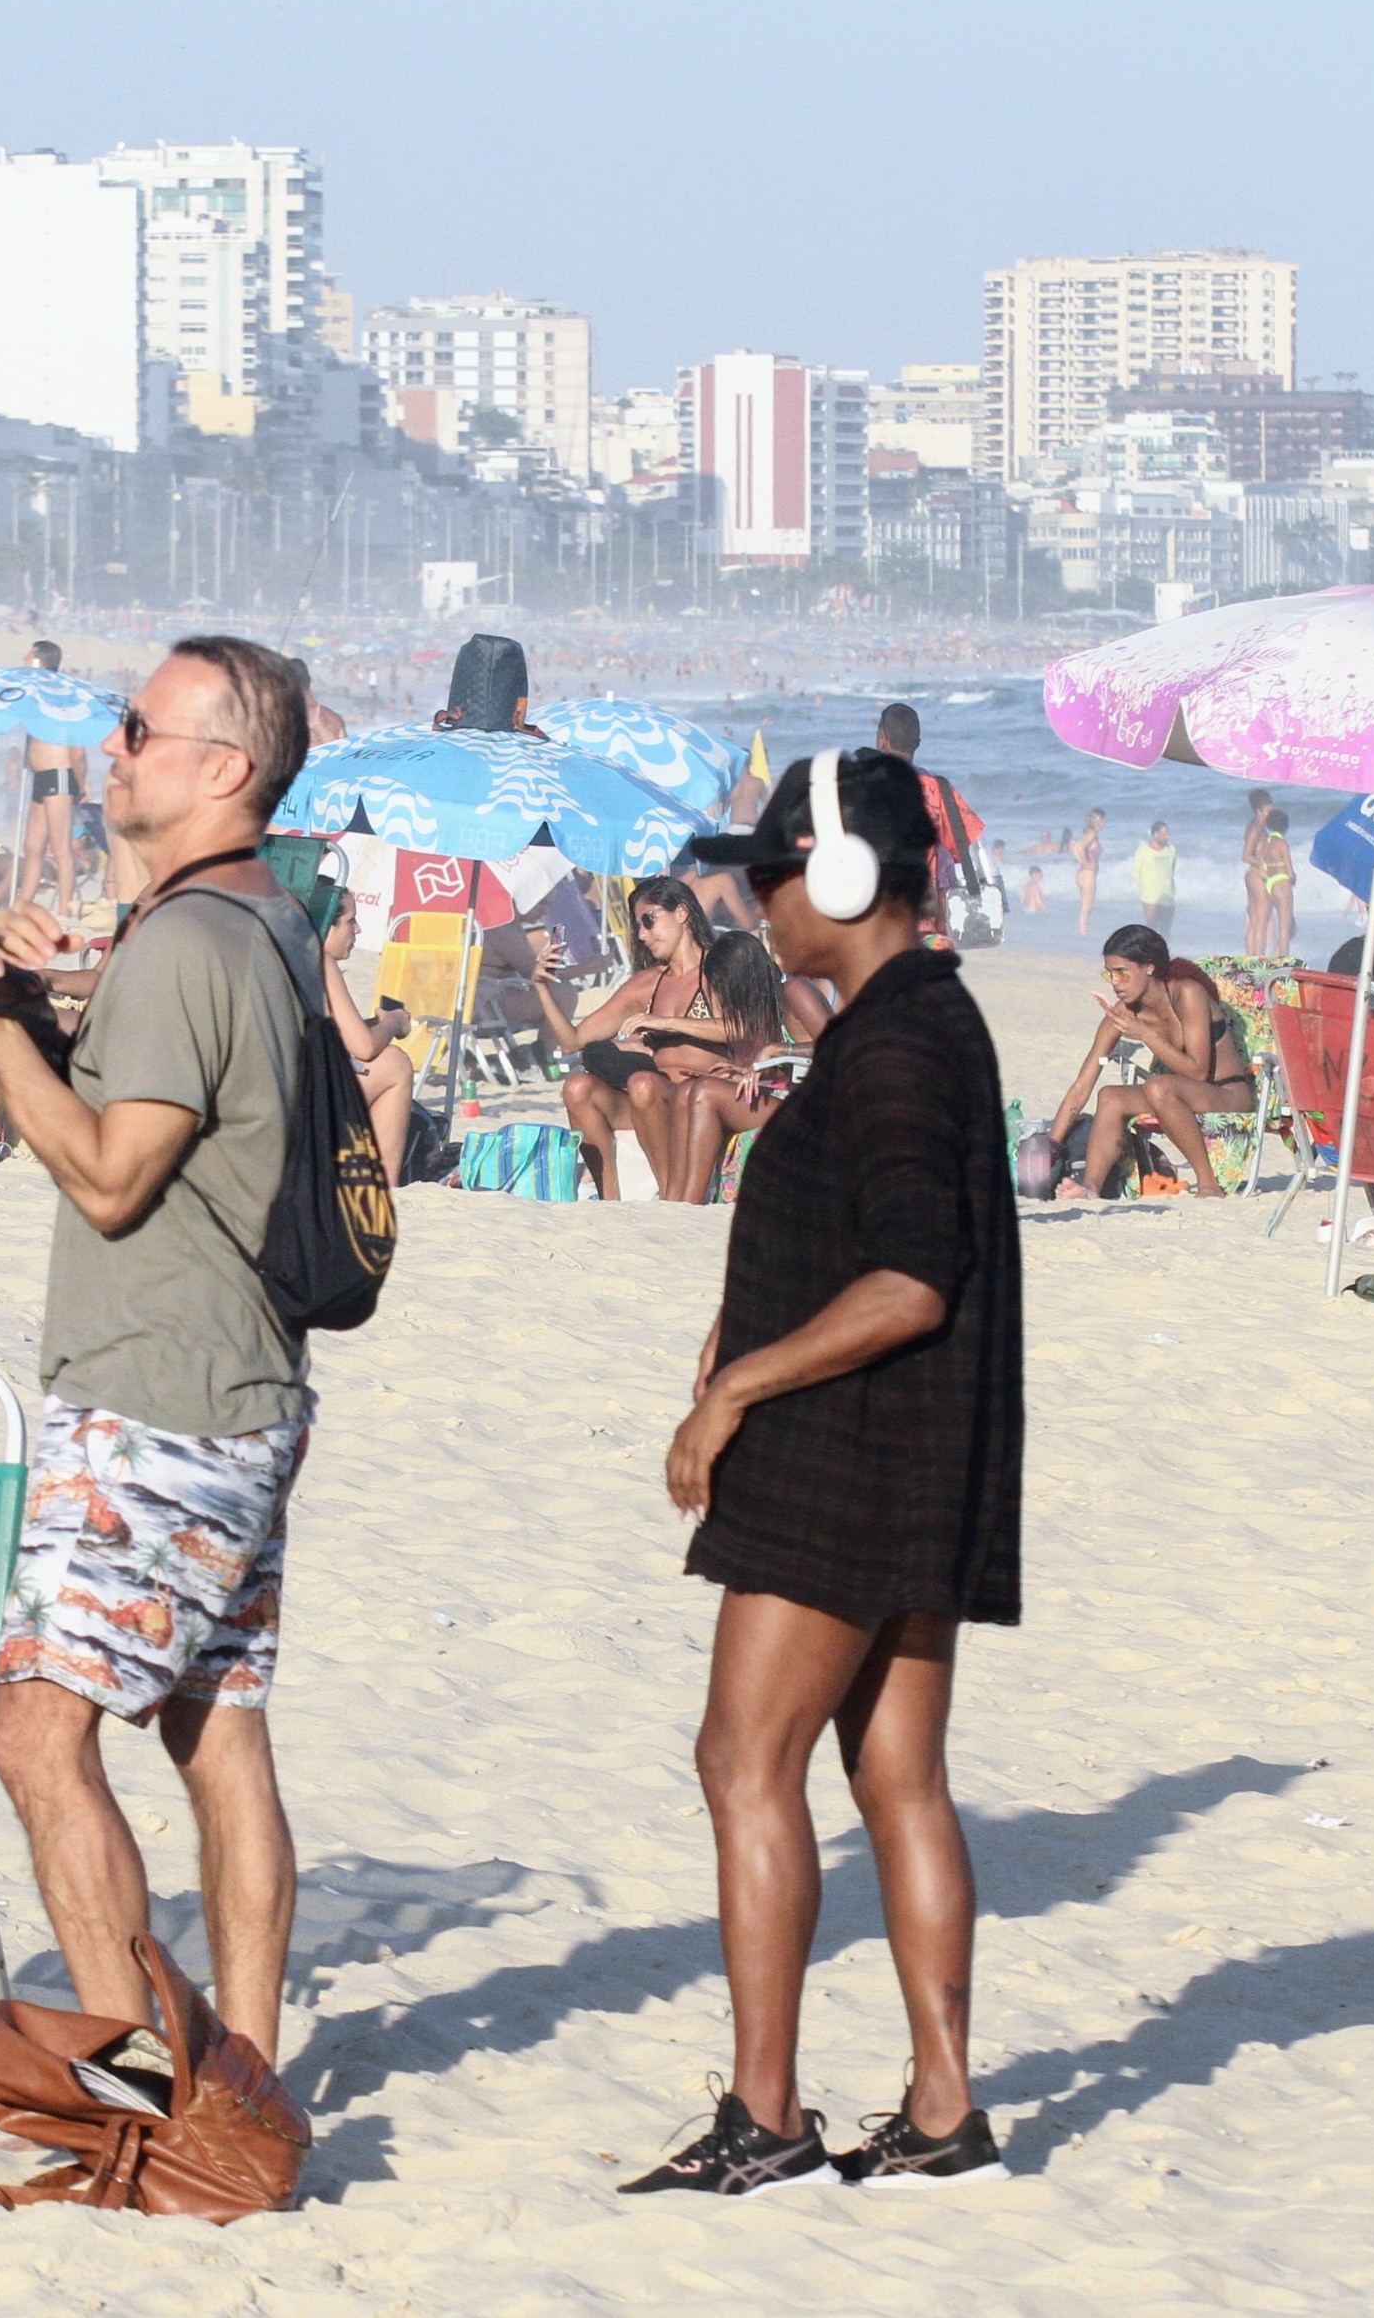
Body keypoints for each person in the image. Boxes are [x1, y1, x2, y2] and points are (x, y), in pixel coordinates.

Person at [0, 634, 322, 2063]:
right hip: (239, 1381)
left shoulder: (192, 939)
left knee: (33, 1730)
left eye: (138, 727)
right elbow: (179, 1103)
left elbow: (109, 1174)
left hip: (158, 1394)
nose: (112, 747)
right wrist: (33, 1006)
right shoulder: (258, 916)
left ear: (225, 768)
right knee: (217, 1736)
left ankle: (139, 2072)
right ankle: (241, 2073)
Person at [628, 747, 1020, 2195]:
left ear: (843, 877)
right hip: (918, 1456)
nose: (759, 900)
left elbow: (909, 1276)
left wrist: (734, 1382)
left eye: (775, 874)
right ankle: (937, 2107)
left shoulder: (903, 1037)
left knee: (743, 1759)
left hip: (848, 1460)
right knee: (898, 1773)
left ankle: (767, 2110)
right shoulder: (907, 1020)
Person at [529, 874, 718, 1201]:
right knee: (578, 1086)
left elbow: (741, 1028)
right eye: (638, 926)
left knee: (643, 1084)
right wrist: (543, 987)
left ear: (682, 914)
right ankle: (610, 1199)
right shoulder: (647, 984)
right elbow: (572, 1041)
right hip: (654, 1099)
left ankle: (671, 1194)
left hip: (700, 1096)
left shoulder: (720, 970)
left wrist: (666, 1022)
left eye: (649, 920)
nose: (643, 934)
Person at [1047, 926, 1257, 1198]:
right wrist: (1051, 1145)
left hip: (1228, 1093)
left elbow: (1198, 1071)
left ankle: (1208, 1184)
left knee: (1159, 1087)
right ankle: (1090, 1188)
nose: (1115, 982)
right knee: (1110, 1096)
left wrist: (1145, 1034)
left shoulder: (1187, 994)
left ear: (1148, 967)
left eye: (1122, 972)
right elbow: (1082, 1086)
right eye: (1109, 973)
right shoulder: (1123, 1014)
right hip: (1179, 1094)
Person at [645, 928, 795, 1203]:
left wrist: (779, 1050)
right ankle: (673, 1199)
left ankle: (692, 1201)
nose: (724, 997)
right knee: (687, 1091)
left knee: (705, 1092)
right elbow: (781, 1070)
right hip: (777, 1095)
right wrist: (741, 1071)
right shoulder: (762, 1007)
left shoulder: (793, 994)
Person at [873, 703, 989, 946]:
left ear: (882, 739)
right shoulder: (939, 789)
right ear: (917, 742)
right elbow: (968, 848)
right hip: (927, 921)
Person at [323, 883, 416, 1184]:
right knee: (393, 1063)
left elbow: (337, 1031)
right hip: (291, 1108)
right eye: (350, 920)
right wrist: (391, 1023)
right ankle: (381, 1185)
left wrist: (379, 1022)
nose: (358, 929)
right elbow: (363, 1048)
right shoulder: (317, 960)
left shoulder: (274, 951)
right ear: (325, 923)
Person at [13, 638, 87, 919]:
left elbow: (77, 751)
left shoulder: (61, 697)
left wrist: (82, 783)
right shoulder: (34, 696)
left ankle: (64, 907)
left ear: (40, 661)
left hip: (59, 774)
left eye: (28, 656)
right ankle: (23, 902)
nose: (23, 659)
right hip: (41, 778)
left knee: (60, 848)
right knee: (32, 847)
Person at [1128, 819, 1178, 943]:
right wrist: (1145, 888)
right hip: (1150, 896)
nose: (1167, 837)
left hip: (1168, 895)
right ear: (1155, 834)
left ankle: (1166, 953)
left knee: (1166, 929)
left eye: (1168, 834)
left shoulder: (1171, 849)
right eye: (1163, 834)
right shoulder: (1143, 851)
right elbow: (1136, 873)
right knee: (1151, 926)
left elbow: (1172, 868)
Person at [1240, 789, 1276, 953]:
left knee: (1255, 921)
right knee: (1261, 922)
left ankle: (1250, 959)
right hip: (1258, 875)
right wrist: (1265, 865)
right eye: (1268, 809)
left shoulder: (1256, 826)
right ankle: (1258, 960)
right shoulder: (1257, 827)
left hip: (1253, 874)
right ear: (1259, 810)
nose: (1271, 812)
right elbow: (1246, 855)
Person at [1259, 807, 1297, 955]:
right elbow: (1290, 871)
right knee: (1285, 929)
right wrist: (1293, 879)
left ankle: (1275, 955)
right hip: (1282, 884)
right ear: (1284, 827)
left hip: (1269, 884)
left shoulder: (1264, 843)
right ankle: (1282, 964)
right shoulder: (1282, 844)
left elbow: (1262, 871)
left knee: (1290, 927)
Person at [1073, 807, 1106, 935]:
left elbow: (1076, 848)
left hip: (1083, 873)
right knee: (1087, 907)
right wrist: (1087, 864)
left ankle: (1083, 932)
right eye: (1104, 820)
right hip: (1087, 874)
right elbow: (1079, 848)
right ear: (1099, 820)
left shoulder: (1088, 833)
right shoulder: (1092, 834)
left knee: (1086, 907)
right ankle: (1083, 933)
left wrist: (1083, 863)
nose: (1106, 822)